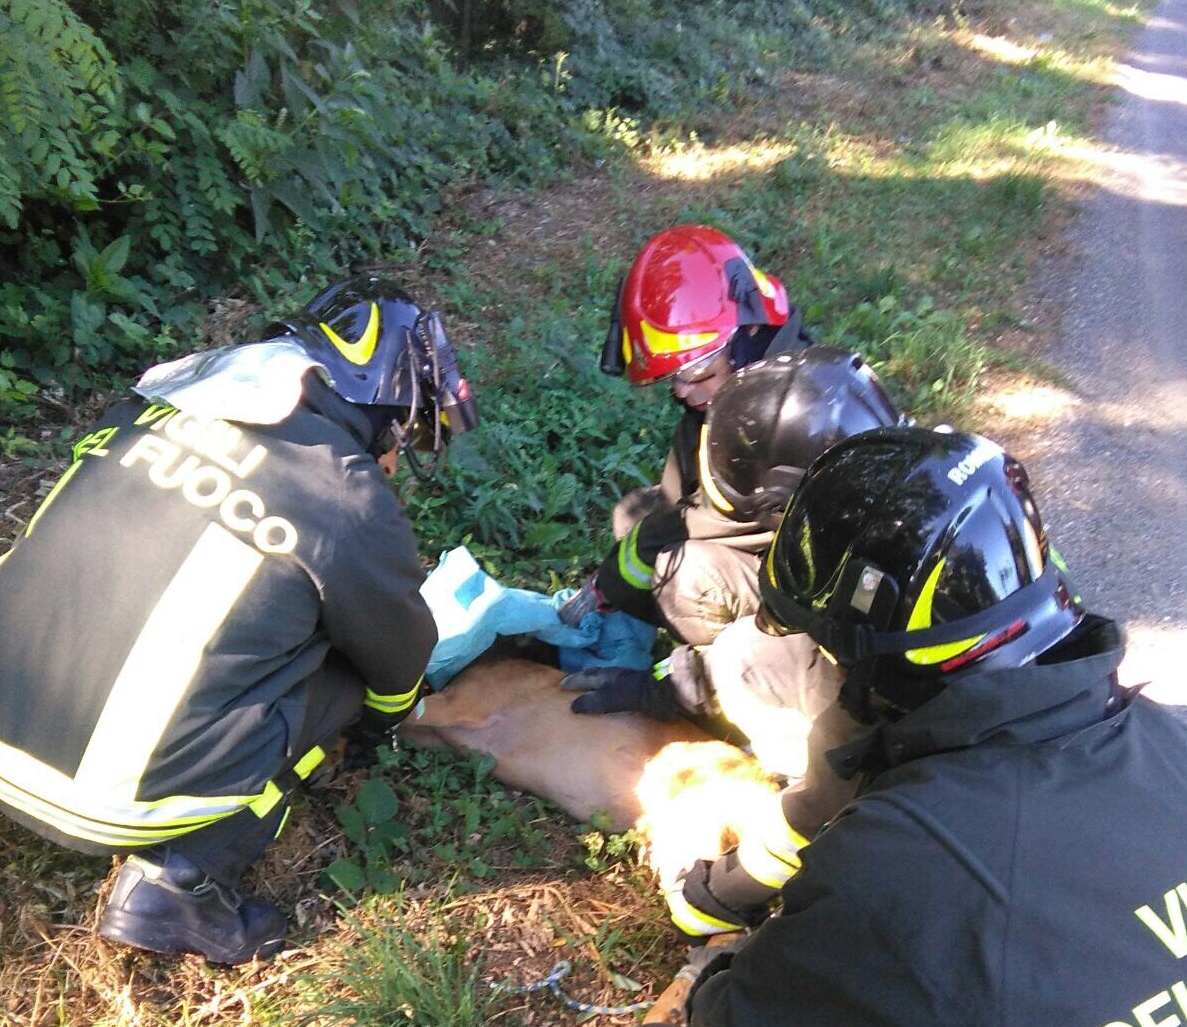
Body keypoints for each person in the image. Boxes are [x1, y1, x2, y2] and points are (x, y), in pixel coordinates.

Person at [0, 273, 477, 964]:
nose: (395, 461)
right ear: (378, 411)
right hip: (107, 799)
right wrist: (380, 723)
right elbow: (398, 657)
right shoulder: (346, 494)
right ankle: (180, 881)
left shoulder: (150, 409)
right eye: (401, 437)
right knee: (347, 674)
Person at [658, 425, 1187, 1027]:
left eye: (828, 649)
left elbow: (732, 1015)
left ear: (878, 662)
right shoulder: (1175, 738)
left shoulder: (898, 864)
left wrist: (710, 970)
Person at [564, 349, 907, 938]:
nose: (686, 391)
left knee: (743, 658)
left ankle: (786, 756)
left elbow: (825, 783)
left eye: (698, 372)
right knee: (714, 614)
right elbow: (694, 527)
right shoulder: (860, 478)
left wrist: (713, 898)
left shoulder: (875, 591)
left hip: (903, 747)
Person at [560, 224, 817, 630]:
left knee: (681, 573)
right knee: (632, 515)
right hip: (753, 539)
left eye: (697, 372)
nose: (682, 390)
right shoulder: (737, 388)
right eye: (672, 377)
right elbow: (675, 497)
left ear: (748, 336)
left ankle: (727, 657)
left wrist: (606, 586)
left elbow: (713, 519)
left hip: (803, 594)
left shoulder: (789, 415)